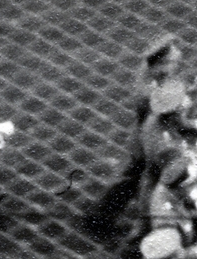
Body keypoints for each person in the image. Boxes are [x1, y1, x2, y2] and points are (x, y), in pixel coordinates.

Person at [79, 33, 184, 240]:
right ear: (161, 63)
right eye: (173, 61)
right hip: (147, 143)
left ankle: (100, 219)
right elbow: (161, 109)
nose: (177, 64)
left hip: (149, 141)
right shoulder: (150, 87)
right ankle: (97, 220)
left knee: (132, 181)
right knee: (130, 182)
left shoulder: (155, 76)